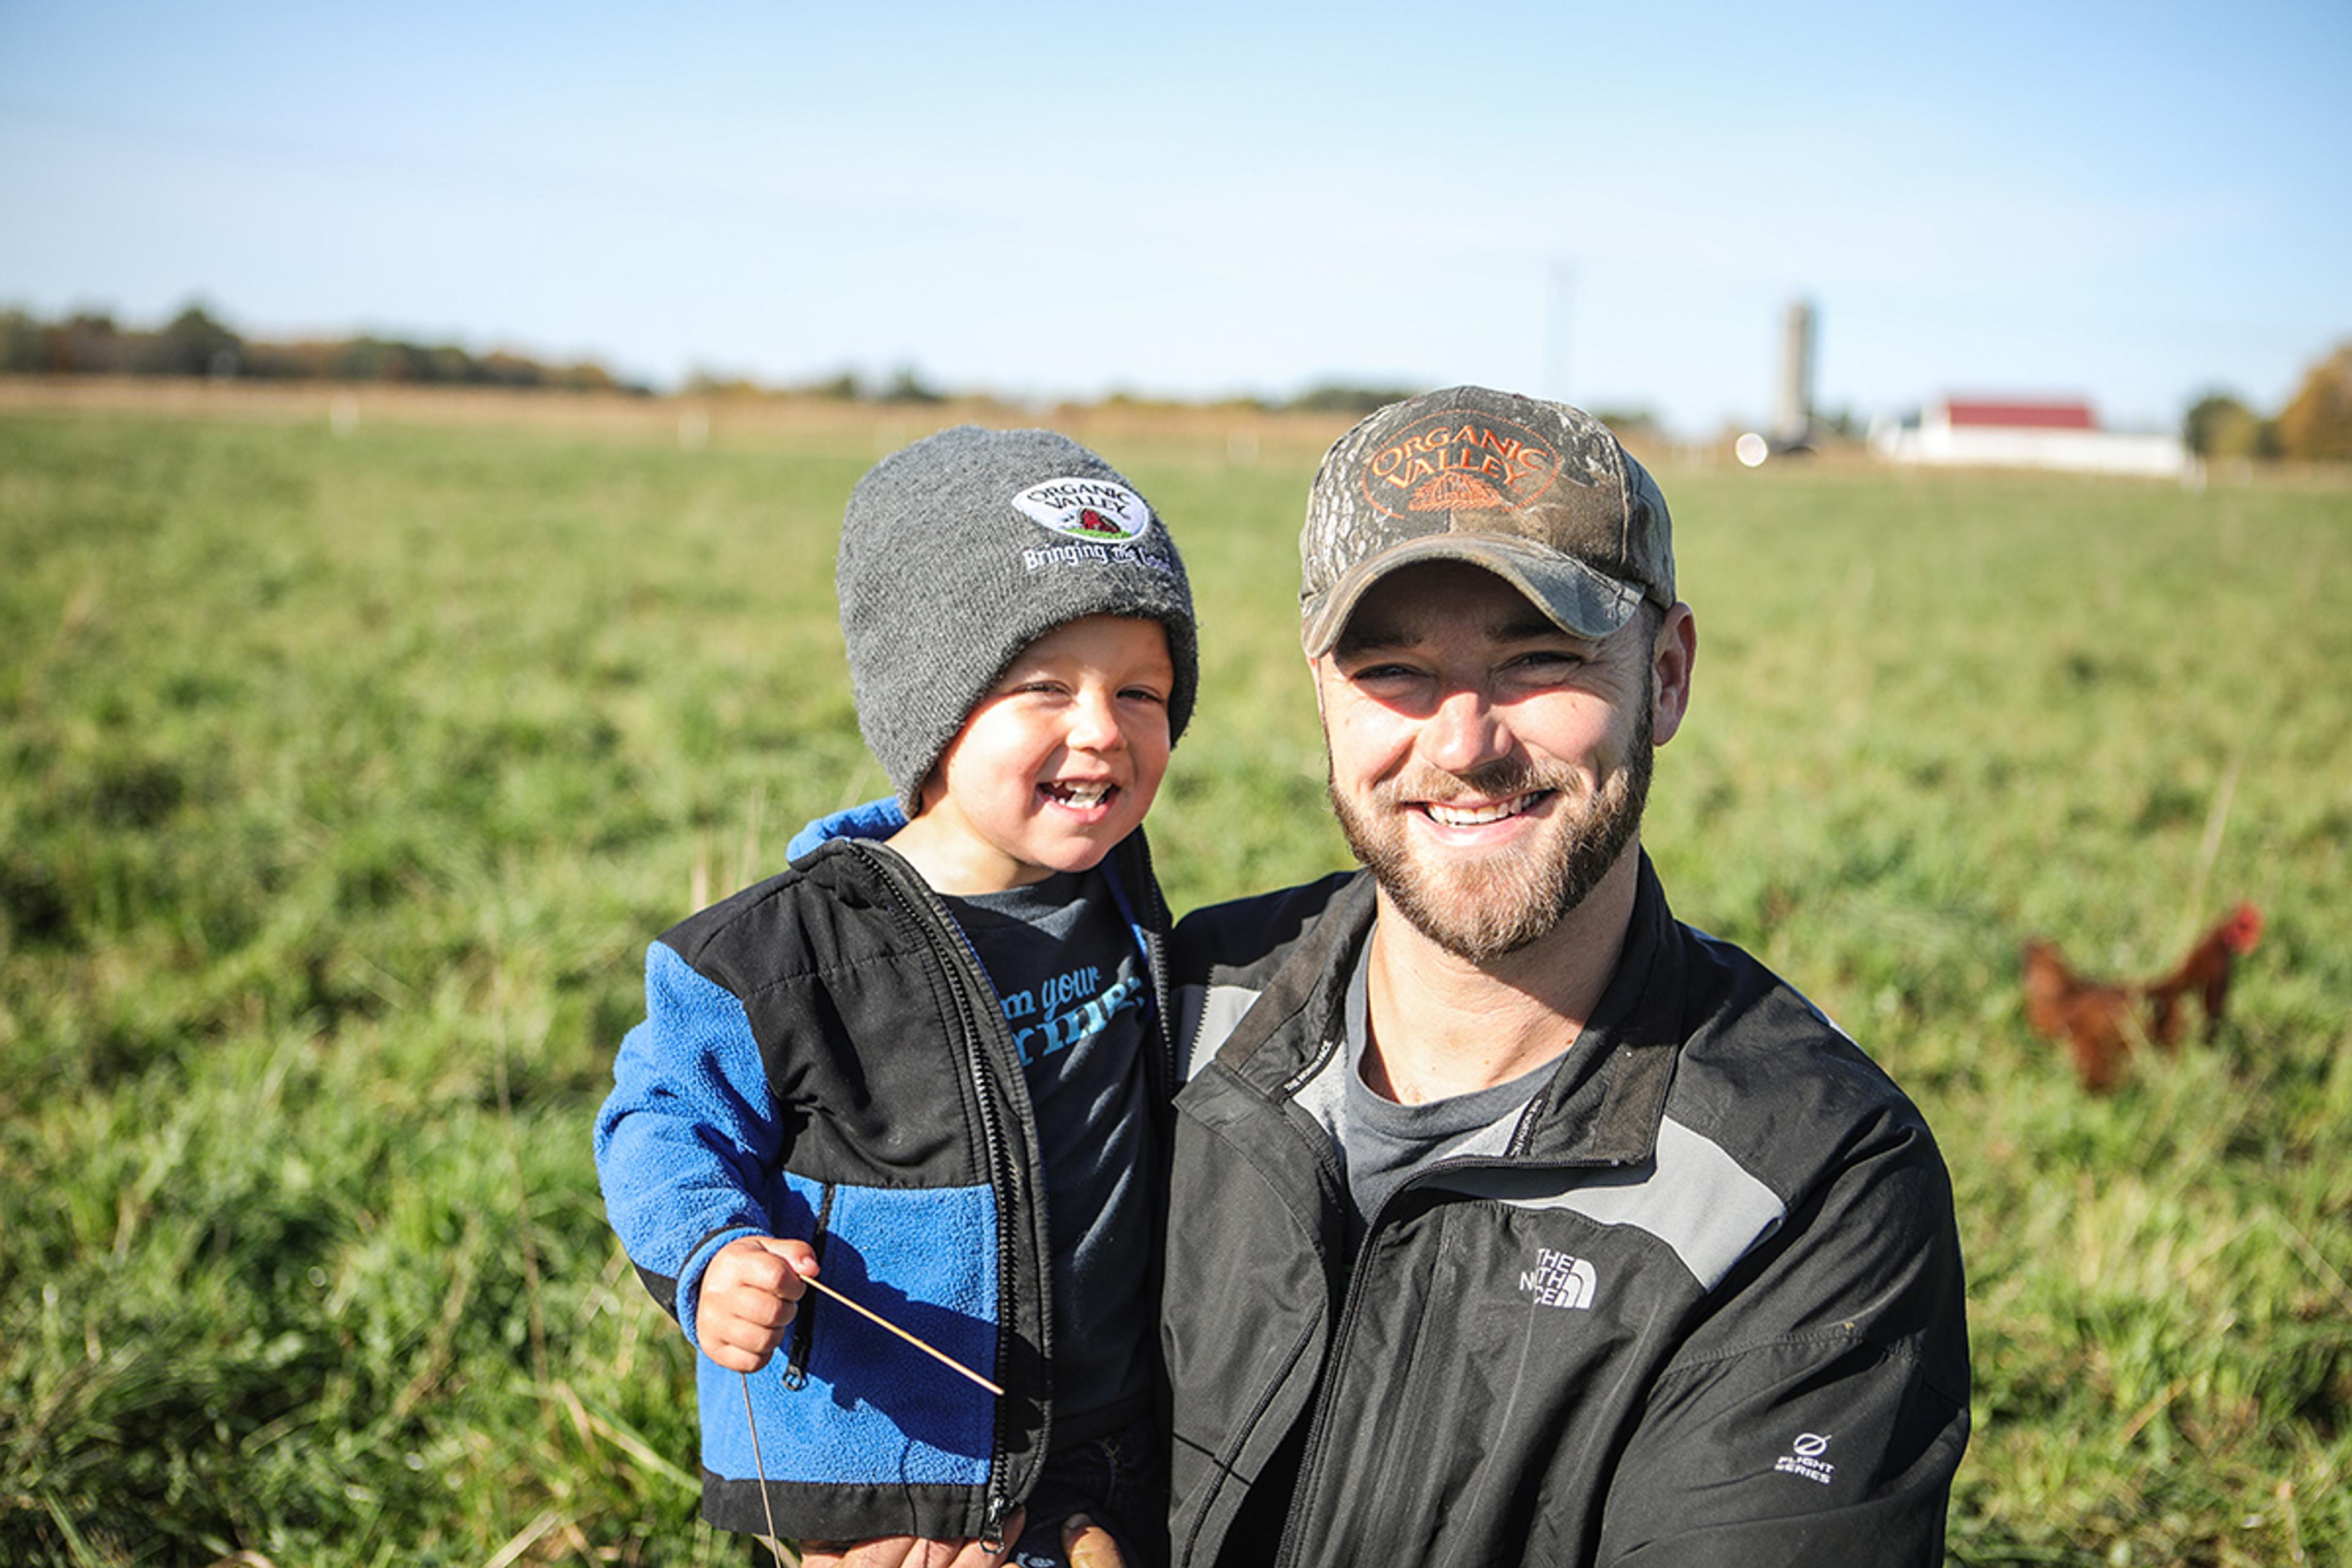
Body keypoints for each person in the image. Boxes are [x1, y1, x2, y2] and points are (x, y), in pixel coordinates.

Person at [1160, 387, 1970, 1566]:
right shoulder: (1170, 1009)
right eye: (1394, 671)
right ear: (1322, 694)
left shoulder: (1804, 1184)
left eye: (1539, 658)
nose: (1464, 744)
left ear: (1670, 675)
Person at [595, 426, 1196, 1568]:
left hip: (1104, 1439)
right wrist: (714, 1256)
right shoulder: (774, 960)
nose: (1103, 729)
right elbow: (658, 1126)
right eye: (1043, 688)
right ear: (934, 706)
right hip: (896, 1473)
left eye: (1143, 692)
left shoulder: (1121, 899)